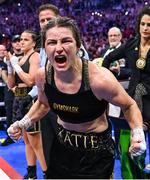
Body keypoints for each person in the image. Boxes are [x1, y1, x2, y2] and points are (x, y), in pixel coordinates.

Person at [7, 17, 146, 179]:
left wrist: (137, 134)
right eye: (52, 42)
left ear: (78, 46)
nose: (59, 48)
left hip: (96, 154)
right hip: (61, 148)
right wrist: (23, 122)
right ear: (44, 48)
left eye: (66, 41)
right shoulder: (43, 76)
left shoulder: (99, 79)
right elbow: (43, 104)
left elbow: (129, 105)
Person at [25, 3, 90, 167]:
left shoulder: (72, 45)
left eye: (49, 19)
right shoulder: (44, 47)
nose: (45, 22)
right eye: (42, 20)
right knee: (50, 147)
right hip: (48, 104)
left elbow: (86, 74)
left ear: (58, 19)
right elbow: (42, 75)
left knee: (71, 150)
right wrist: (32, 95)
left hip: (69, 105)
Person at [102, 6, 150, 179]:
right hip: (128, 105)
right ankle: (132, 176)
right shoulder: (131, 45)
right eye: (143, 24)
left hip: (148, 102)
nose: (145, 28)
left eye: (149, 25)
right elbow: (107, 60)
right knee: (127, 147)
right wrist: (107, 80)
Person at [7, 30, 47, 179]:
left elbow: (31, 80)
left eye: (25, 39)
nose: (21, 42)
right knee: (27, 141)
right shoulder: (20, 58)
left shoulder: (34, 56)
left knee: (36, 141)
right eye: (20, 39)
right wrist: (11, 67)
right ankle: (31, 174)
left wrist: (16, 67)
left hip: (30, 101)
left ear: (33, 43)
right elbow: (11, 84)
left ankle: (46, 174)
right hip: (18, 99)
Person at [1, 35, 23, 146]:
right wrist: (12, 87)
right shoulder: (8, 57)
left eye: (20, 41)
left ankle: (27, 135)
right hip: (11, 88)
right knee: (10, 111)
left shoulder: (28, 55)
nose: (18, 43)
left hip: (23, 88)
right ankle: (10, 136)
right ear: (12, 44)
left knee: (25, 110)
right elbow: (4, 73)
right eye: (15, 41)